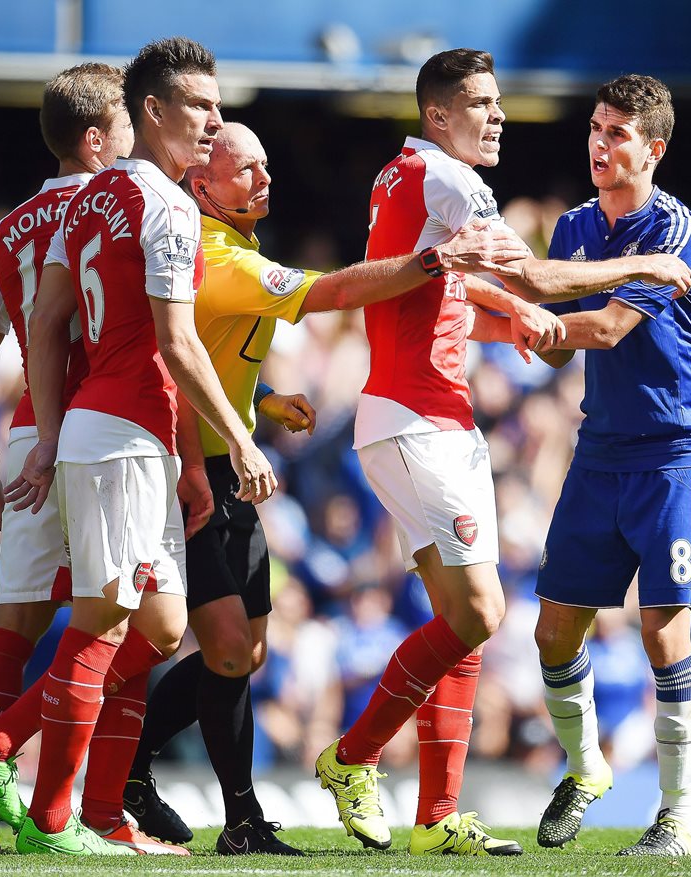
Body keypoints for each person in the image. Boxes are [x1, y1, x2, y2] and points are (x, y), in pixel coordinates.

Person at [315, 49, 691, 858]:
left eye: (497, 103)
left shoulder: (399, 177)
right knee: (483, 612)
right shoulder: (454, 181)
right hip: (419, 417)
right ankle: (352, 756)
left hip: (422, 416)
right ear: (439, 116)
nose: (497, 117)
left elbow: (454, 289)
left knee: (462, 623)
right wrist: (639, 266)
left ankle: (437, 815)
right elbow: (538, 279)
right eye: (482, 104)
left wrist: (515, 319)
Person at [120, 121, 529, 856]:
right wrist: (433, 259)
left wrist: (263, 399)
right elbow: (336, 290)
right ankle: (221, 809)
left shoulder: (233, 249)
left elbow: (211, 352)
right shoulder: (220, 258)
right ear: (202, 185)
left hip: (228, 464)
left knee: (245, 653)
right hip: (195, 471)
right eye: (246, 169)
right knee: (216, 649)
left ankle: (135, 770)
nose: (265, 179)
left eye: (267, 164)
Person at [0, 36, 275, 857]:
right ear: (135, 118)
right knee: (104, 623)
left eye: (216, 105)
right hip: (126, 432)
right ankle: (59, 812)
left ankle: (8, 795)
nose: (213, 121)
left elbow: (36, 330)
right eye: (198, 106)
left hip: (74, 427)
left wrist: (36, 437)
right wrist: (236, 439)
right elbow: (176, 344)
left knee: (142, 626)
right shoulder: (160, 206)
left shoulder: (64, 212)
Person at [517, 74, 691, 856]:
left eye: (618, 133)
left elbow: (597, 330)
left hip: (675, 455)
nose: (600, 145)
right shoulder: (572, 227)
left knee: (663, 637)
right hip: (599, 452)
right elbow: (553, 335)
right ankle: (587, 766)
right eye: (596, 128)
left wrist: (537, 318)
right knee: (553, 634)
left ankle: (678, 818)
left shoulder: (678, 233)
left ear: (653, 148)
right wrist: (529, 330)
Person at [0, 62, 142, 854]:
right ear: (97, 138)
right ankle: (82, 813)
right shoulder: (118, 207)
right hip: (103, 429)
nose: (137, 136)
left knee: (16, 624)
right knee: (128, 620)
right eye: (129, 120)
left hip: (31, 428)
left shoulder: (10, 227)